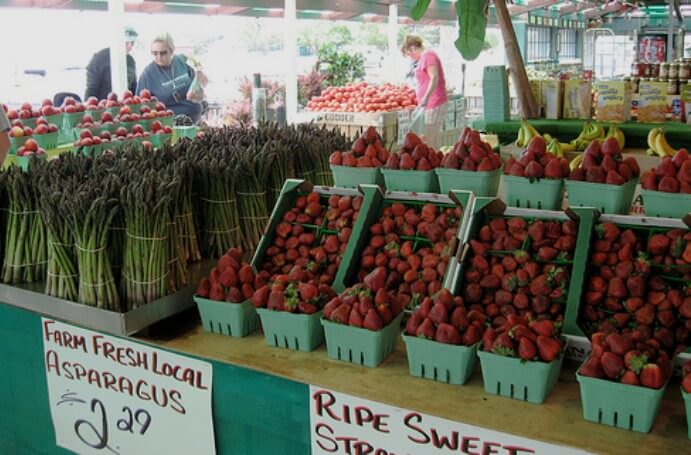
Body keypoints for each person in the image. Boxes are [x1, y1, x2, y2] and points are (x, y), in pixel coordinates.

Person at [136, 33, 206, 123]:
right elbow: (139, 106)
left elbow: (198, 84)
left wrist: (199, 89)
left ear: (171, 50)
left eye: (163, 53)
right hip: (168, 126)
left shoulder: (181, 61)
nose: (159, 57)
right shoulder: (147, 74)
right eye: (155, 53)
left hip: (194, 121)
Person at [401, 35, 448, 149]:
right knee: (428, 139)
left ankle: (434, 163)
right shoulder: (424, 58)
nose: (410, 57)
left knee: (430, 140)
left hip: (434, 102)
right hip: (430, 104)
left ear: (413, 47)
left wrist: (426, 98)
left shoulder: (428, 56)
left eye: (409, 53)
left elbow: (434, 77)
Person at [85, 27, 138, 101]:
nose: (130, 46)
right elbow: (91, 89)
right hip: (103, 108)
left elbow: (134, 87)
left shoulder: (131, 61)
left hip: (126, 107)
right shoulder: (99, 58)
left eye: (132, 42)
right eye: (126, 42)